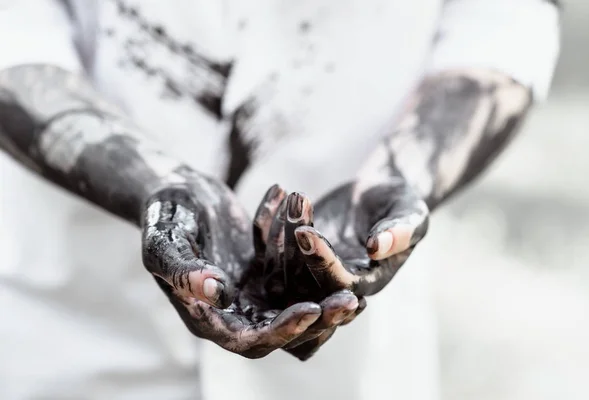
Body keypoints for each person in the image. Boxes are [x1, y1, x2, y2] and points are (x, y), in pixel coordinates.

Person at [0, 0, 560, 399]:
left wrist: (405, 167)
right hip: (65, 332)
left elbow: (507, 15)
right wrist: (147, 181)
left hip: (356, 362)